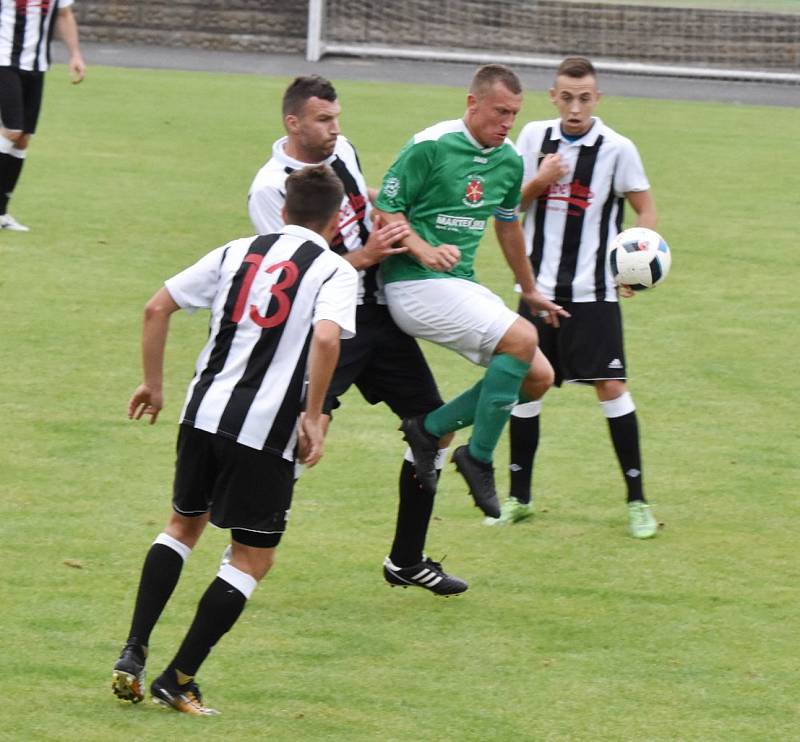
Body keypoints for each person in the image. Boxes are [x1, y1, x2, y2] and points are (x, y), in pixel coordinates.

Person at [111, 165, 358, 715]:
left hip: (202, 414)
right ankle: (178, 678)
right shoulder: (336, 271)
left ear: (284, 209)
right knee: (252, 558)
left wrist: (153, 383)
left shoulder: (235, 251)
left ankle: (132, 650)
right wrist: (314, 415)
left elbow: (156, 307)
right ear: (337, 219)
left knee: (181, 526)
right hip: (264, 433)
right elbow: (324, 337)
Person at [248, 75, 467, 596]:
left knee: (432, 426)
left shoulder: (343, 149)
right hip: (325, 322)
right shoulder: (269, 187)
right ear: (293, 122)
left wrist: (398, 225)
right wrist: (362, 257)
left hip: (377, 313)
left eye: (337, 117)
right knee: (300, 434)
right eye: (323, 120)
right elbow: (286, 275)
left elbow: (362, 202)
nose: (334, 129)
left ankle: (406, 560)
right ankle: (248, 543)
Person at [373, 64, 567, 520]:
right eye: (500, 112)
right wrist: (420, 248)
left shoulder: (509, 160)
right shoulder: (431, 145)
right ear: (471, 103)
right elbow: (385, 208)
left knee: (538, 378)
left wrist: (530, 288)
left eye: (514, 115)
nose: (507, 123)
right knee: (521, 340)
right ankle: (478, 457)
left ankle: (431, 427)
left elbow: (507, 224)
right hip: (412, 284)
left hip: (458, 284)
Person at [500, 56, 660, 538]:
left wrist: (636, 263)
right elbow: (510, 205)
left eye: (584, 97)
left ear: (597, 99)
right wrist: (540, 180)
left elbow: (645, 209)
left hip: (594, 294)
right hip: (536, 290)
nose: (575, 107)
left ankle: (638, 503)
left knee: (611, 388)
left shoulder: (617, 148)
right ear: (553, 96)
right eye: (566, 97)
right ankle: (518, 498)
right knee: (527, 388)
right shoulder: (531, 139)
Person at [0, 0, 86, 231]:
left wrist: (75, 54)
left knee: (23, 138)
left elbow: (64, 15)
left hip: (37, 67)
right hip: (4, 62)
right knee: (12, 129)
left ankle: (1, 212)